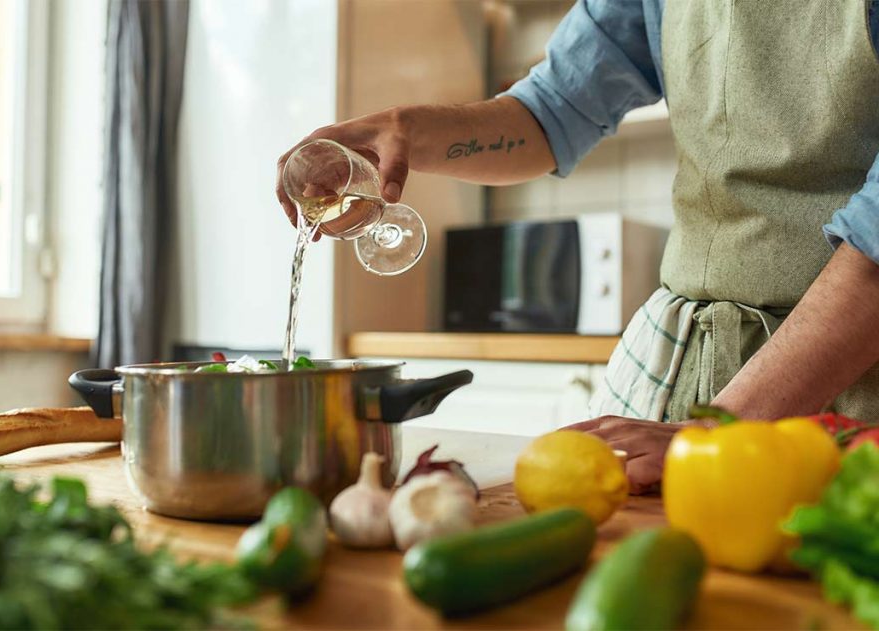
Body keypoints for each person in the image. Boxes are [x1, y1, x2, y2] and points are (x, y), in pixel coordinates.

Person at [276, 0, 879, 493]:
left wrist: (724, 429)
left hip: (845, 384)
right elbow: (551, 110)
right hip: (694, 374)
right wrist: (404, 131)